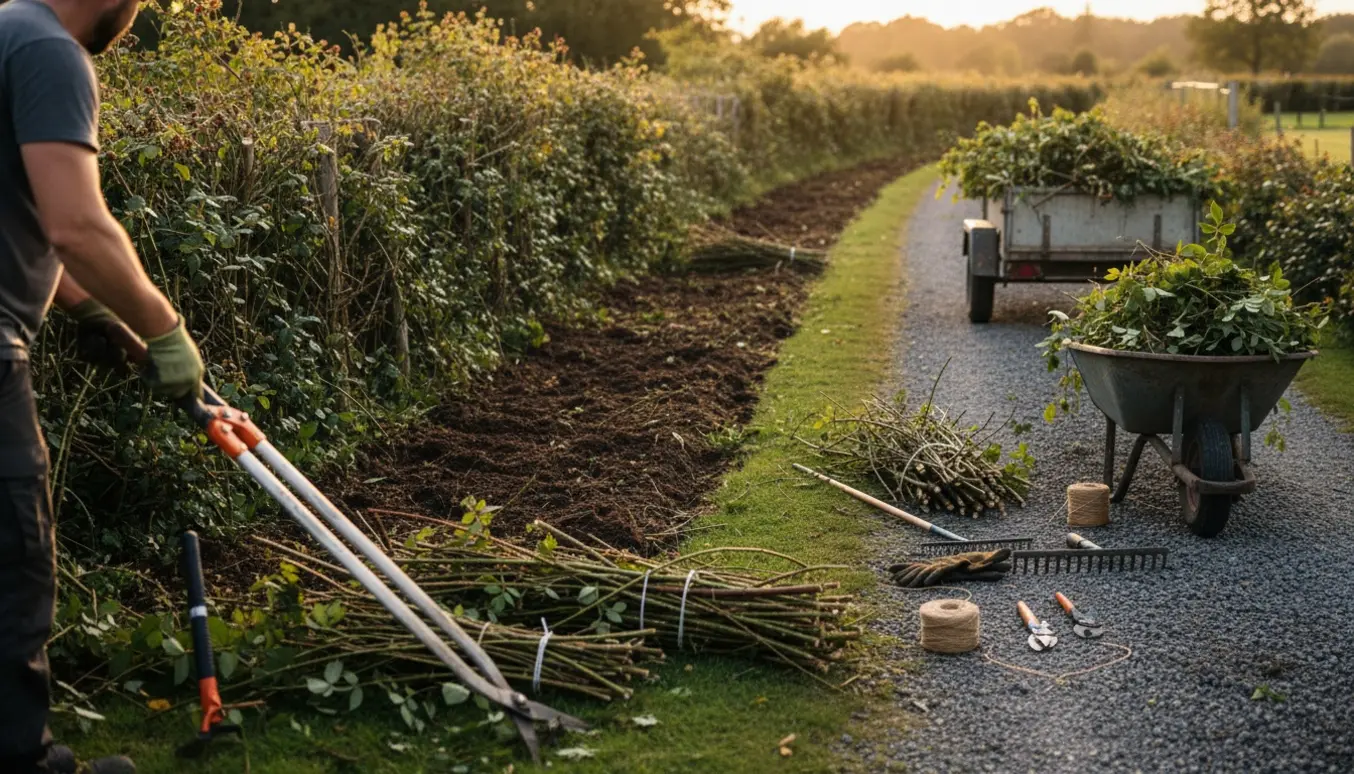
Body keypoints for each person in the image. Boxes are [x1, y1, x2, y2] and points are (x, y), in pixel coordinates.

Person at [0, 1, 206, 771]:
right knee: (14, 562)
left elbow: (15, 212)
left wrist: (89, 312)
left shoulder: (4, 29)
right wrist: (163, 327)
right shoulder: (50, 51)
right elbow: (75, 225)